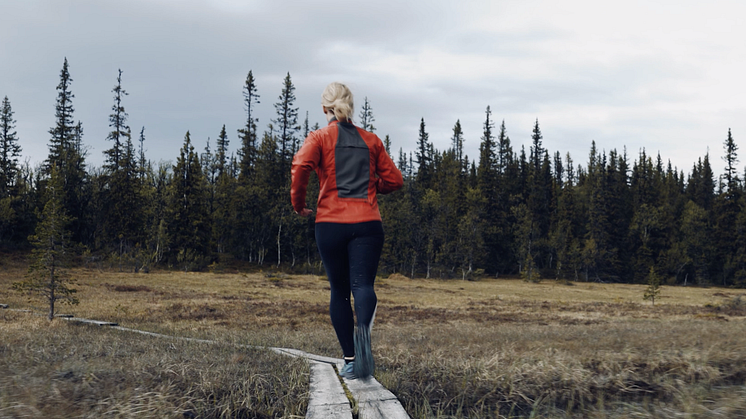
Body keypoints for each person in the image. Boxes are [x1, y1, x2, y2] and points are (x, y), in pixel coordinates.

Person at [291, 82, 403, 379]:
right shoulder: (371, 141)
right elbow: (395, 181)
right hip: (367, 223)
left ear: (324, 108)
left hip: (330, 223)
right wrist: (373, 185)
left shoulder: (319, 138)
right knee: (363, 286)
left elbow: (301, 165)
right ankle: (363, 331)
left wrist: (298, 204)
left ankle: (352, 359)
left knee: (339, 291)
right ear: (349, 106)